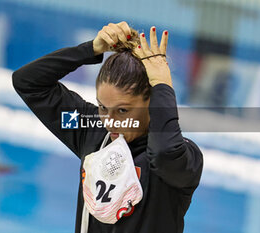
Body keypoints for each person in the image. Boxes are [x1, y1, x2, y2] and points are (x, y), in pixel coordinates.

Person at [12, 21, 203, 233]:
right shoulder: (91, 131)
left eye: (122, 110)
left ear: (152, 103)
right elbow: (28, 82)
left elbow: (164, 152)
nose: (110, 121)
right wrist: (92, 49)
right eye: (103, 107)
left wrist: (162, 84)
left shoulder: (184, 159)